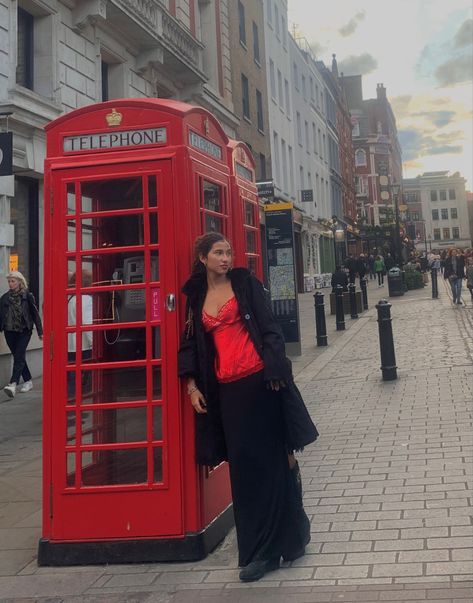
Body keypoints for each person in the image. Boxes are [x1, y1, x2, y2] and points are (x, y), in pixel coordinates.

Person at [178, 233, 318, 583]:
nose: (226, 258)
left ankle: (271, 552)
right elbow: (190, 344)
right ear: (202, 257)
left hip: (260, 382)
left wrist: (274, 370)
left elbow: (270, 328)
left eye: (228, 252)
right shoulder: (195, 297)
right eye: (218, 253)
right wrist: (191, 385)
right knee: (243, 471)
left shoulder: (245, 284)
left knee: (270, 463)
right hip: (225, 391)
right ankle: (263, 545)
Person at [0, 271, 43, 398]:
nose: (10, 284)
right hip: (9, 331)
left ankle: (13, 384)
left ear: (19, 282)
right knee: (19, 357)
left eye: (13, 281)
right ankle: (28, 381)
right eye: (9, 281)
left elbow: (35, 314)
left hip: (24, 330)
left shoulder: (27, 296)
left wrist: (41, 332)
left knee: (18, 355)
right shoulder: (4, 298)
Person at [67, 270, 93, 398]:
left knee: (72, 375)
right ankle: (77, 398)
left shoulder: (69, 297)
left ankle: (71, 397)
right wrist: (94, 343)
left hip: (69, 344)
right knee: (84, 377)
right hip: (83, 344)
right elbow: (87, 324)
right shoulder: (86, 299)